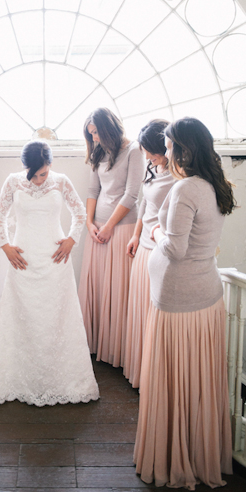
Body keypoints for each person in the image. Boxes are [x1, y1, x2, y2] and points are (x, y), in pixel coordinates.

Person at [0, 140, 99, 406]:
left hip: (56, 259)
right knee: (22, 316)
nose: (40, 180)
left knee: (56, 316)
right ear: (25, 168)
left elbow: (79, 213)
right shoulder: (13, 181)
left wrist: (71, 239)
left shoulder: (61, 181)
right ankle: (19, 376)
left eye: (44, 173)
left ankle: (61, 378)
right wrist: (5, 246)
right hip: (23, 260)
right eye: (34, 174)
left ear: (50, 165)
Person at [134, 117, 235, 489]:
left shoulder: (185, 189)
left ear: (183, 149)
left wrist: (155, 229)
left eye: (170, 144)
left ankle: (173, 458)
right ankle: (195, 451)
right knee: (196, 380)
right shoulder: (214, 183)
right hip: (204, 293)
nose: (167, 151)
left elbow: (175, 248)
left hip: (179, 298)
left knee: (174, 378)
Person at [78, 108, 145, 368]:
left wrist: (110, 226)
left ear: (109, 128)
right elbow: (93, 189)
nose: (93, 138)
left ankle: (117, 349)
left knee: (118, 290)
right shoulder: (99, 151)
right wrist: (89, 223)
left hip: (122, 228)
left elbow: (132, 195)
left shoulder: (134, 151)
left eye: (95, 132)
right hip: (98, 228)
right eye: (90, 134)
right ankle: (95, 345)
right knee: (98, 286)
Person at [123, 120, 174, 388]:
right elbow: (144, 203)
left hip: (161, 250)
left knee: (155, 316)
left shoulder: (179, 175)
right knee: (141, 313)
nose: (148, 157)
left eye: (151, 151)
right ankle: (141, 372)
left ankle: (156, 379)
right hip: (143, 245)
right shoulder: (152, 167)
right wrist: (134, 234)